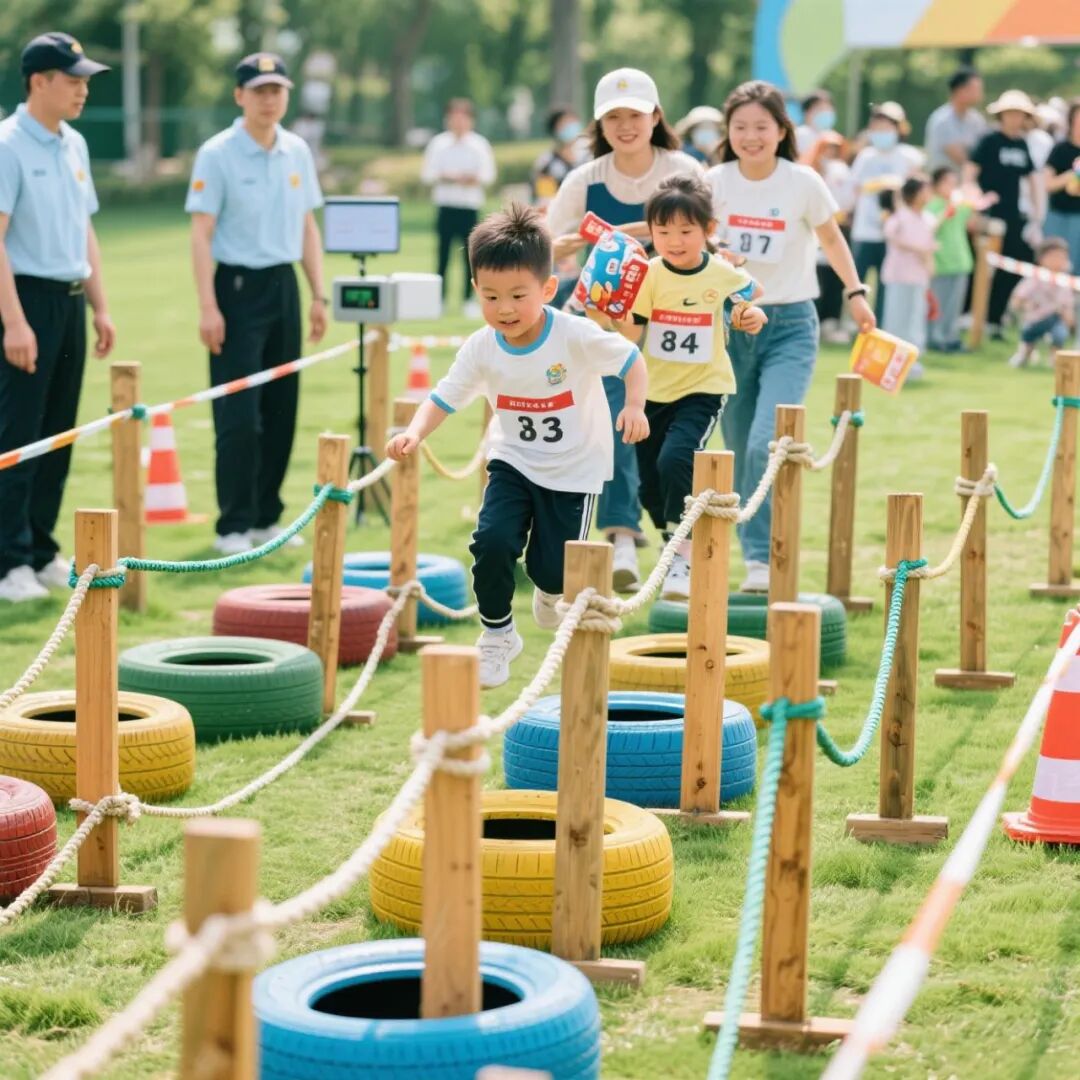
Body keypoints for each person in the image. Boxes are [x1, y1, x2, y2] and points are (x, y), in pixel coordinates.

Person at [385, 204, 648, 688]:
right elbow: (442, 397)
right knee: (491, 541)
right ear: (476, 291)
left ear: (548, 289)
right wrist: (414, 433)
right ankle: (497, 635)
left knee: (552, 571)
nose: (504, 308)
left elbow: (630, 357)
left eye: (517, 296)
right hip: (513, 462)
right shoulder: (482, 346)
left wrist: (633, 405)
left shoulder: (572, 335)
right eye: (490, 296)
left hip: (574, 471)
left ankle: (549, 593)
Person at [706, 80, 875, 593]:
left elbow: (831, 238)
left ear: (782, 131)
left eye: (762, 127)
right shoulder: (712, 180)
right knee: (737, 447)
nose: (751, 137)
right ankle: (758, 557)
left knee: (765, 441)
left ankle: (763, 557)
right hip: (730, 325)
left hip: (790, 327)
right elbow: (690, 239)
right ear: (727, 132)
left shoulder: (802, 182)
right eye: (740, 128)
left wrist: (855, 293)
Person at [546, 67, 702, 592]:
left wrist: (625, 233)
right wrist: (561, 247)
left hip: (679, 319)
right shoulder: (584, 179)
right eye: (613, 116)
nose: (625, 125)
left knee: (670, 434)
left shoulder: (682, 169)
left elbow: (709, 232)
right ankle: (620, 537)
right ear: (600, 124)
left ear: (656, 117)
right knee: (616, 421)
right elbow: (544, 239)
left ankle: (677, 539)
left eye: (634, 114)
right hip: (607, 320)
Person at [186, 52, 327, 556]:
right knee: (239, 413)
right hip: (236, 290)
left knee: (281, 407)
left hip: (283, 286)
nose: (270, 99)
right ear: (239, 95)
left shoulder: (296, 151)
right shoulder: (218, 153)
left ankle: (267, 514)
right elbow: (200, 234)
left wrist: (318, 293)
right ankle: (233, 524)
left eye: (277, 90)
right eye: (260, 90)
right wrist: (208, 306)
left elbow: (308, 226)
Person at [0, 32, 115, 603]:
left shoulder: (74, 144)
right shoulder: (8, 145)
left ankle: (41, 550)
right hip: (24, 300)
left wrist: (100, 304)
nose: (83, 90)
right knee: (18, 434)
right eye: (73, 80)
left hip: (69, 301)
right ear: (38, 81)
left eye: (86, 81)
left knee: (58, 434)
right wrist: (14, 323)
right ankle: (8, 562)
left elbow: (83, 228)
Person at [612, 174, 766, 600]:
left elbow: (751, 300)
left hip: (702, 388)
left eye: (685, 231)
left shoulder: (721, 272)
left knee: (676, 459)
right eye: (663, 232)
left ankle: (684, 556)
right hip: (652, 394)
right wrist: (609, 308)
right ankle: (673, 543)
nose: (674, 240)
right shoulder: (648, 274)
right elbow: (629, 335)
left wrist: (751, 315)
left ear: (707, 231)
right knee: (650, 485)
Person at [967, 90, 1044, 340]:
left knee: (1014, 265)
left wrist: (1036, 216)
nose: (1014, 118)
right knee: (978, 267)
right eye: (1010, 113)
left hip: (1012, 215)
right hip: (987, 213)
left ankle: (995, 318)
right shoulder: (989, 140)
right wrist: (974, 205)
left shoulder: (1021, 144)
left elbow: (1033, 179)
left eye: (1019, 114)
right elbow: (970, 172)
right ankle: (971, 315)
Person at [420, 98, 496, 318]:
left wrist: (472, 178)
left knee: (470, 257)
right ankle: (439, 299)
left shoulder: (479, 144)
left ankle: (468, 299)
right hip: (446, 206)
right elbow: (428, 174)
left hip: (469, 207)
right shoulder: (439, 144)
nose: (458, 122)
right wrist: (448, 177)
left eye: (463, 117)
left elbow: (488, 174)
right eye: (454, 117)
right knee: (442, 255)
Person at [849, 102, 921, 322]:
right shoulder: (865, 156)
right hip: (864, 230)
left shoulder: (909, 156)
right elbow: (854, 189)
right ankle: (853, 321)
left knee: (887, 282)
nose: (881, 132)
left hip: (893, 233)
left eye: (887, 126)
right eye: (877, 126)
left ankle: (881, 323)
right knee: (856, 280)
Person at [881, 174, 935, 378]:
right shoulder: (899, 218)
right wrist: (918, 250)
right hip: (899, 275)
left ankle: (912, 363)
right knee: (896, 320)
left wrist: (928, 260)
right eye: (924, 190)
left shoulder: (928, 219)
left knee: (915, 320)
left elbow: (928, 246)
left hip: (918, 277)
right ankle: (892, 365)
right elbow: (891, 237)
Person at [802, 131, 854, 342]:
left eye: (834, 149)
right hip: (810, 230)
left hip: (835, 225)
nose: (830, 153)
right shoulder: (807, 172)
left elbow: (848, 197)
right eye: (826, 148)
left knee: (835, 276)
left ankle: (831, 321)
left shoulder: (841, 171)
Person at [927, 167, 982, 352]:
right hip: (941, 263)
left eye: (954, 183)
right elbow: (929, 228)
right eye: (947, 183)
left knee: (954, 306)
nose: (951, 187)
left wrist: (975, 203)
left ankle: (950, 338)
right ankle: (935, 338)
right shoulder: (932, 204)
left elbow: (972, 223)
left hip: (960, 261)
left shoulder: (959, 205)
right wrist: (945, 213)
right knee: (938, 305)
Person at [1007, 236, 1075, 367]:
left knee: (1059, 334)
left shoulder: (1065, 281)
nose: (1058, 261)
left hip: (1056, 319)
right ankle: (1025, 354)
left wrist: (1069, 319)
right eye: (1054, 257)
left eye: (1062, 257)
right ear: (1041, 258)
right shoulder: (1034, 277)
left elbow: (1068, 306)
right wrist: (1021, 307)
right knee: (1028, 334)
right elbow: (1018, 297)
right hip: (1035, 318)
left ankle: (1055, 360)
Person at [925, 67, 988, 172]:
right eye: (976, 89)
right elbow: (962, 159)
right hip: (944, 186)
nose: (980, 94)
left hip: (967, 185)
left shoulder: (977, 120)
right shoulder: (942, 120)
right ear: (960, 90)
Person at [1043, 98, 1080, 278]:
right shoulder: (1060, 149)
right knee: (1051, 263)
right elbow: (1047, 184)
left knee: (1074, 268)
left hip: (1078, 218)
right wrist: (1070, 176)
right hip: (1057, 215)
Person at [530, 105, 586, 208]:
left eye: (574, 122)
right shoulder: (546, 164)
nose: (572, 127)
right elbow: (545, 200)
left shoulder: (587, 158)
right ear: (555, 129)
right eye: (566, 124)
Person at [795, 89, 837, 157]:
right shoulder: (801, 134)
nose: (826, 113)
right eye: (821, 109)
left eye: (829, 109)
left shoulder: (832, 136)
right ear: (807, 112)